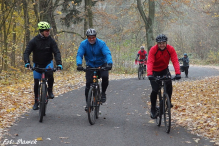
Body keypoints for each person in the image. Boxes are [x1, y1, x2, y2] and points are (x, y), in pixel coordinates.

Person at [23, 21, 63, 110]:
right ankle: (36, 101)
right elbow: (26, 52)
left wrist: (59, 64)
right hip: (37, 63)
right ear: (41, 31)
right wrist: (27, 62)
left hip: (48, 62)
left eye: (48, 30)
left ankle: (49, 90)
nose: (48, 32)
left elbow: (56, 52)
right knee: (36, 82)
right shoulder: (34, 41)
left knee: (50, 74)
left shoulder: (51, 41)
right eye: (46, 31)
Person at [76, 28, 113, 111]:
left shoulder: (101, 44)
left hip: (102, 64)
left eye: (93, 37)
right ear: (87, 37)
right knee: (88, 84)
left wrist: (109, 63)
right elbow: (79, 55)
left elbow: (107, 53)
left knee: (105, 77)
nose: (91, 39)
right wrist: (79, 64)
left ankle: (103, 93)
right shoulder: (83, 44)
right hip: (90, 65)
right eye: (89, 37)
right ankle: (88, 104)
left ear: (95, 37)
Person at [147, 34, 181, 119]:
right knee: (155, 90)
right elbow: (150, 62)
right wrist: (150, 74)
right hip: (154, 71)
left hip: (164, 70)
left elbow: (175, 61)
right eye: (160, 43)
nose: (162, 45)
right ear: (157, 43)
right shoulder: (153, 50)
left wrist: (178, 73)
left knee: (169, 84)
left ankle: (167, 101)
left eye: (163, 43)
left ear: (166, 43)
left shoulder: (170, 49)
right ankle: (153, 109)